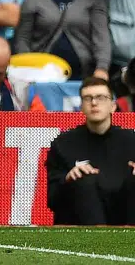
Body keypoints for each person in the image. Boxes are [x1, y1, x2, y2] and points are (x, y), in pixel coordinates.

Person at [45, 75, 135, 225]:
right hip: (81, 221)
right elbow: (52, 200)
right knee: (83, 180)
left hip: (124, 217)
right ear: (81, 107)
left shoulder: (132, 141)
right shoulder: (63, 144)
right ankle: (95, 241)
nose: (94, 103)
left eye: (100, 97)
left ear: (113, 106)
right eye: (88, 98)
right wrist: (67, 179)